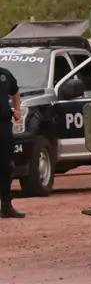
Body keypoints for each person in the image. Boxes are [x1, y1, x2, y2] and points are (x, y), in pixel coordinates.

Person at [0, 65, 25, 218]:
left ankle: (6, 206)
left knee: (6, 166)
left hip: (3, 126)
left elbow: (15, 91)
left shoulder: (4, 74)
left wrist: (17, 110)